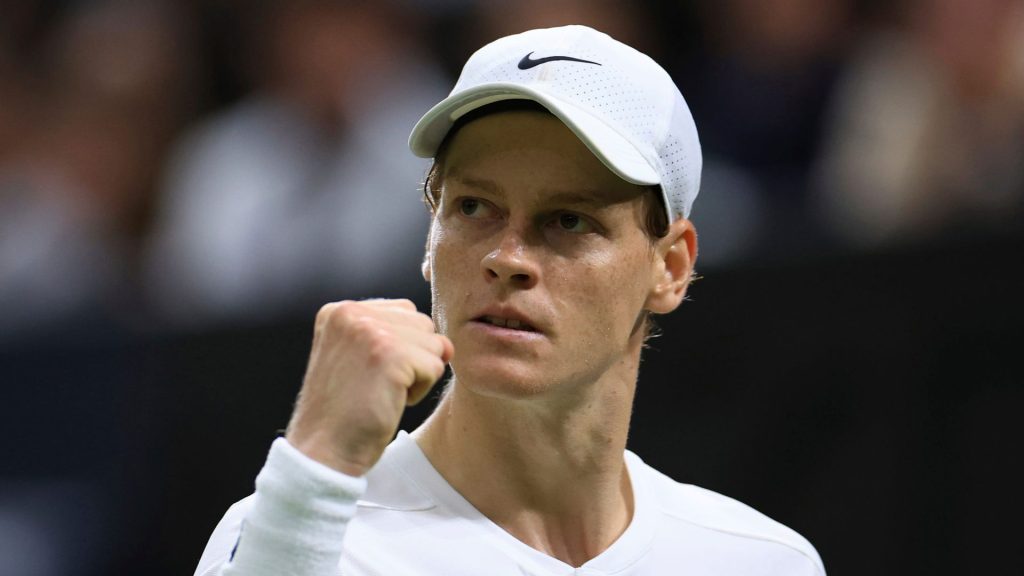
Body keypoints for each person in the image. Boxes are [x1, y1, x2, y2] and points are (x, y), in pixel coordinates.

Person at [195, 25, 825, 576]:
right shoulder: (297, 535)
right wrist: (315, 466)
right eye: (473, 208)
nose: (507, 257)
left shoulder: (761, 562)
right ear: (431, 231)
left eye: (569, 220)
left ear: (671, 267)